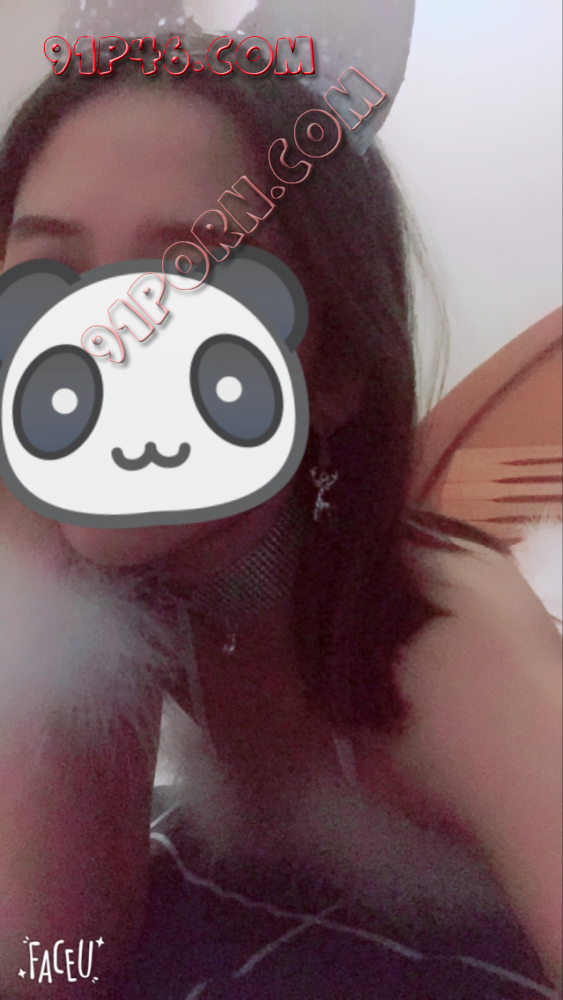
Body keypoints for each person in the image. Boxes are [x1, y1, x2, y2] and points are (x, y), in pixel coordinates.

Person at [0, 43, 561, 1000]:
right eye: (49, 274)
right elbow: (50, 962)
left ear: (330, 370)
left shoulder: (440, 643)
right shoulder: (129, 583)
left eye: (185, 278)